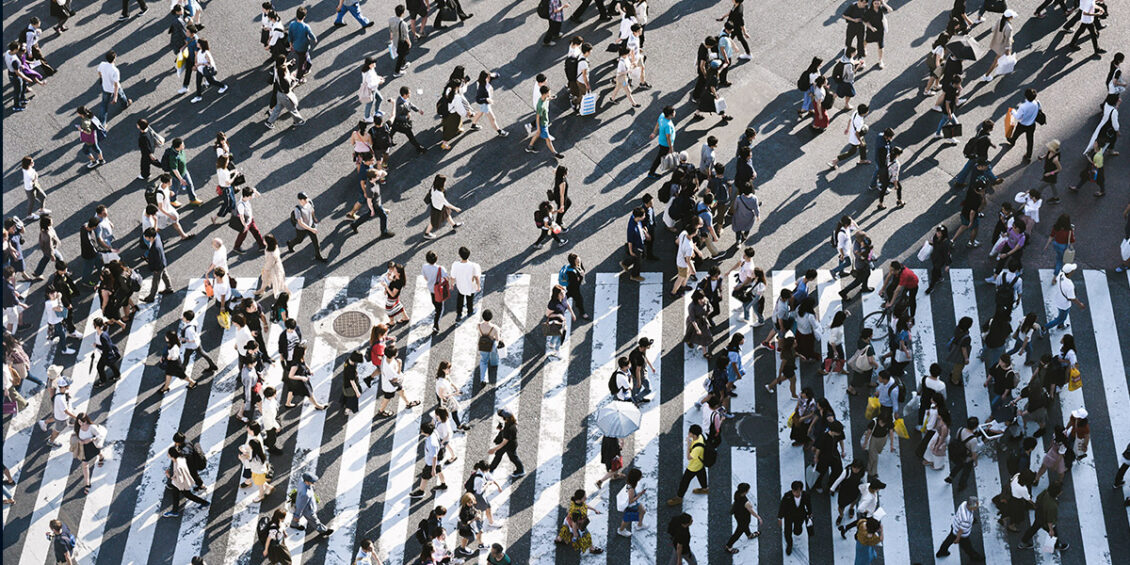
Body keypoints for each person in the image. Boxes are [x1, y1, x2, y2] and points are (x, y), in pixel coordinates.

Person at [666, 424, 709, 506]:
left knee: (684, 482)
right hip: (700, 463)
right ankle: (705, 489)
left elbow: (689, 457)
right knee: (701, 475)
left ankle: (679, 497)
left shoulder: (697, 448)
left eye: (690, 433)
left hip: (693, 466)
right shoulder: (700, 437)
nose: (689, 433)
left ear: (694, 435)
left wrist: (688, 445)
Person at [162, 447, 210, 518]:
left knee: (188, 495)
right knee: (175, 493)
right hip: (182, 482)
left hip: (182, 484)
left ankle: (205, 503)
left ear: (172, 455)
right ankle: (174, 511)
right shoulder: (179, 459)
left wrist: (169, 476)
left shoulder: (178, 465)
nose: (167, 454)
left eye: (168, 453)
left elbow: (179, 479)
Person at [554, 489, 603, 554]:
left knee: (565, 530)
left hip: (568, 520)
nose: (586, 498)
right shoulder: (576, 512)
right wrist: (575, 534)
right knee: (587, 535)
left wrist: (594, 510)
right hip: (577, 525)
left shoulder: (575, 501)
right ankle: (592, 549)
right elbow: (574, 523)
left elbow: (585, 506)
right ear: (580, 499)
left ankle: (559, 539)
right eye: (584, 497)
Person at [409, 420, 447, 497]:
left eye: (422, 430)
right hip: (438, 458)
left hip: (431, 463)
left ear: (426, 432)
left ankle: (421, 491)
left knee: (424, 477)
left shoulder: (431, 443)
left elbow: (434, 457)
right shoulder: (434, 432)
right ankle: (443, 484)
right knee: (439, 470)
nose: (421, 431)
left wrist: (433, 469)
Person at [525, 85, 564, 159]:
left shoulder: (544, 98)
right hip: (542, 124)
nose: (550, 93)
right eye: (548, 92)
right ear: (544, 93)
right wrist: (539, 128)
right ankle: (555, 153)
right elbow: (537, 117)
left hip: (544, 122)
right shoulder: (540, 106)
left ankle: (529, 147)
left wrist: (551, 98)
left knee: (537, 134)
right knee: (548, 139)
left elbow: (547, 99)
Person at [829, 104, 871, 169]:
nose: (868, 111)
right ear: (864, 113)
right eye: (867, 111)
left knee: (863, 146)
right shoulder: (860, 122)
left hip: (853, 133)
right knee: (852, 152)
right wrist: (860, 142)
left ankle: (863, 159)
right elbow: (857, 134)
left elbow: (850, 120)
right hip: (855, 139)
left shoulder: (856, 112)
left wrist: (847, 128)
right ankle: (836, 160)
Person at [777, 480, 813, 556]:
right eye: (794, 491)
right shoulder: (787, 496)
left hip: (800, 516)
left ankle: (797, 530)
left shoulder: (806, 496)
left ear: (801, 490)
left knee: (797, 530)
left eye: (797, 492)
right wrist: (780, 517)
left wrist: (810, 513)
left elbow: (809, 505)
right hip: (789, 516)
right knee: (787, 532)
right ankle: (789, 545)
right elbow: (782, 507)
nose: (795, 494)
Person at [423, 175, 464, 239]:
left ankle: (454, 225)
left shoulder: (434, 186)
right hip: (437, 209)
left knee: (447, 214)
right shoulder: (439, 194)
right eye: (444, 181)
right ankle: (426, 233)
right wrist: (456, 208)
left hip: (439, 206)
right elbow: (447, 204)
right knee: (433, 222)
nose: (445, 183)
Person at [96, 51, 131, 125]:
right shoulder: (115, 70)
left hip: (105, 87)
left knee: (104, 105)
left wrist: (101, 78)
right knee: (121, 95)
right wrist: (115, 97)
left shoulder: (102, 64)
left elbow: (99, 72)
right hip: (114, 88)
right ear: (114, 59)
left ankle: (102, 123)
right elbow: (116, 85)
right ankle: (125, 104)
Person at [487, 409, 525, 477]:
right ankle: (492, 468)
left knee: (512, 458)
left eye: (502, 417)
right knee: (500, 455)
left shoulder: (508, 428)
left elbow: (504, 442)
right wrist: (501, 429)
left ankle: (521, 470)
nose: (501, 418)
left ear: (505, 418)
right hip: (511, 443)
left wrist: (493, 449)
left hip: (509, 446)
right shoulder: (511, 422)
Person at [946, 417, 981, 490]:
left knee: (958, 465)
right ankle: (961, 485)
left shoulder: (960, 429)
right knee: (966, 472)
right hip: (966, 457)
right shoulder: (973, 440)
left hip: (957, 453)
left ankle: (951, 477)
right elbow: (974, 453)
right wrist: (975, 461)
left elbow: (957, 440)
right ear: (975, 427)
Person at [449, 246, 481, 321]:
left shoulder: (455, 265)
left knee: (460, 299)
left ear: (460, 255)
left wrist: (452, 284)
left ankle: (459, 314)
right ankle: (470, 311)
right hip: (471, 287)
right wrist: (478, 286)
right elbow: (476, 277)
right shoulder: (473, 265)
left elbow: (452, 277)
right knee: (470, 300)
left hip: (461, 286)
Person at [616, 468, 647, 537]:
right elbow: (630, 501)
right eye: (640, 476)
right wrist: (639, 495)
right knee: (627, 520)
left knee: (643, 511)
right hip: (631, 506)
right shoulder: (631, 489)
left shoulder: (630, 484)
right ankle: (621, 530)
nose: (641, 477)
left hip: (634, 504)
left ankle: (640, 525)